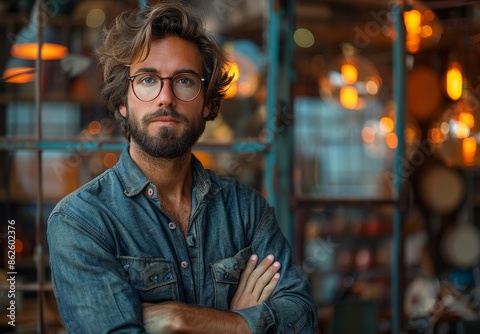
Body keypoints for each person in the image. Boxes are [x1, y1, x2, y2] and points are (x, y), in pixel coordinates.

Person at [47, 1, 317, 333]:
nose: (166, 97)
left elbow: (301, 318)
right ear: (121, 101)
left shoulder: (247, 210)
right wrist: (239, 325)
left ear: (207, 103)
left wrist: (181, 319)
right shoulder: (82, 221)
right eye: (147, 80)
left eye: (185, 81)